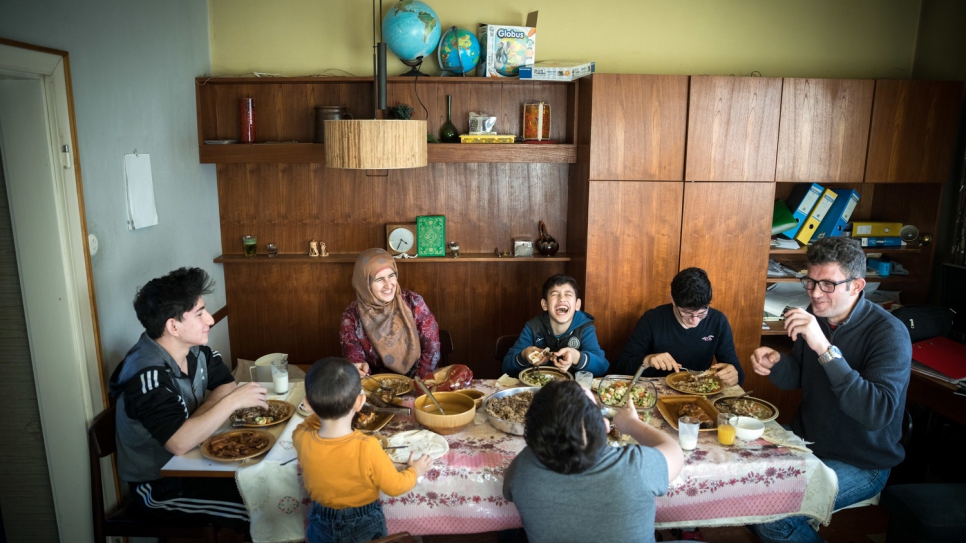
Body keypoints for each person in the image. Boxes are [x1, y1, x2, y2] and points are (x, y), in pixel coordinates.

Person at [749, 237, 911, 543]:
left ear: (857, 285)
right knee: (739, 486)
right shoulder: (817, 315)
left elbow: (875, 412)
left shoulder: (889, 333)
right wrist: (777, 364)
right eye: (810, 282)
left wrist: (823, 347)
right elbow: (798, 377)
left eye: (827, 285)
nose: (815, 293)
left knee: (774, 521)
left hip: (862, 462)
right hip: (807, 442)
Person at [109, 267, 268, 530]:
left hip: (194, 469)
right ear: (173, 326)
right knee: (265, 510)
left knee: (271, 487)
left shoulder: (195, 352)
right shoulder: (148, 375)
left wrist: (196, 423)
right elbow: (180, 443)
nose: (210, 320)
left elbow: (225, 384)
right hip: (160, 488)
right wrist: (231, 403)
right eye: (199, 314)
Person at [503, 380, 684, 543]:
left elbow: (508, 493)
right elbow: (674, 450)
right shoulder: (637, 466)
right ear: (605, 426)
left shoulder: (521, 468)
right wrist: (631, 424)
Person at [294, 357, 432, 543]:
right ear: (360, 402)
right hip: (363, 523)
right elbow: (396, 486)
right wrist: (415, 470)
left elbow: (304, 426)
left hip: (321, 521)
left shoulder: (301, 437)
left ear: (307, 403)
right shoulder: (367, 446)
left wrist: (320, 408)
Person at [614, 267, 743, 387]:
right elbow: (619, 367)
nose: (694, 321)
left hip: (698, 392)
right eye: (687, 313)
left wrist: (733, 374)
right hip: (657, 392)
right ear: (673, 300)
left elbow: (738, 374)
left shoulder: (718, 321)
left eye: (702, 312)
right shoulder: (652, 320)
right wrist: (647, 361)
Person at [340, 248, 440, 379]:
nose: (389, 285)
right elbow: (354, 356)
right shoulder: (352, 316)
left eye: (391, 276)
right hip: (376, 385)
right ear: (364, 283)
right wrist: (358, 367)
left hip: (420, 382)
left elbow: (432, 349)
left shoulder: (413, 302)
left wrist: (416, 383)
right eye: (379, 279)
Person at [501, 274, 608, 377]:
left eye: (568, 294)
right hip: (538, 389)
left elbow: (602, 366)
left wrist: (576, 357)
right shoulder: (533, 327)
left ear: (577, 304)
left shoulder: (585, 328)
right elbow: (506, 368)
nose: (562, 298)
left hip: (572, 391)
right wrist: (524, 355)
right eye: (554, 294)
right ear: (545, 304)